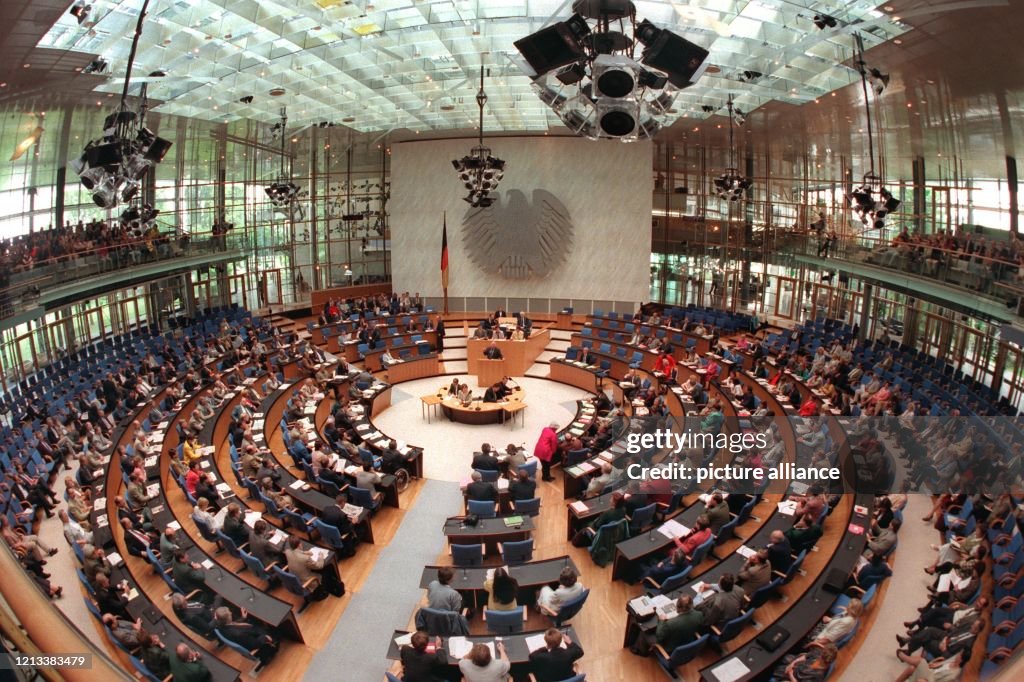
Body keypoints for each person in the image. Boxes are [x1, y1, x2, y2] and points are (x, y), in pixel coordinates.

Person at [212, 606, 279, 671]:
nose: (231, 613)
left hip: (249, 635)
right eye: (229, 613)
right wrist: (265, 637)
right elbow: (256, 644)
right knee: (273, 626)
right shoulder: (239, 634)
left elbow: (231, 624)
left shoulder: (220, 626)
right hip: (257, 642)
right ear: (227, 619)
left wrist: (243, 618)